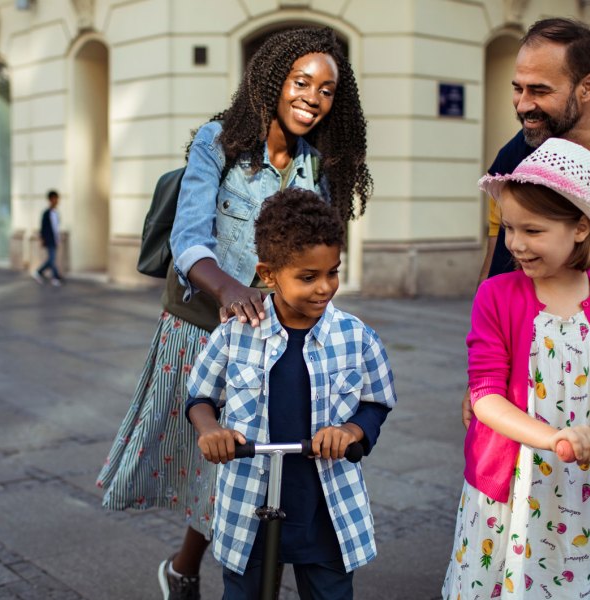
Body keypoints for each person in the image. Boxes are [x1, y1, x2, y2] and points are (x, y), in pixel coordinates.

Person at [95, 27, 372, 600]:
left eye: (326, 89)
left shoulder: (315, 167)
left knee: (243, 468)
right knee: (213, 464)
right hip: (201, 328)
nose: (313, 98)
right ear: (273, 80)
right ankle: (194, 571)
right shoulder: (216, 142)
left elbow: (307, 255)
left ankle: (195, 571)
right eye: (302, 82)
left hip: (267, 340)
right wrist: (227, 289)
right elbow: (188, 238)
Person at [464, 19, 590, 591]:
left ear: (586, 86)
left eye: (538, 90)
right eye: (517, 88)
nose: (522, 104)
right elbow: (499, 266)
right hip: (521, 446)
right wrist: (477, 385)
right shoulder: (521, 157)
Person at [186, 188, 395, 599]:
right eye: (307, 277)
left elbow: (376, 401)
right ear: (268, 274)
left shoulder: (356, 337)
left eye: (332, 272)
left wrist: (351, 432)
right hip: (250, 502)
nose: (324, 287)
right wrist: (210, 430)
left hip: (324, 505)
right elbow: (200, 397)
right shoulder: (235, 334)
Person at [32, 189, 63, 286]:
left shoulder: (56, 213)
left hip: (54, 239)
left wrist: (58, 239)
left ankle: (42, 273)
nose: (57, 201)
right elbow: (43, 228)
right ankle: (53, 276)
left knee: (51, 259)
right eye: (55, 199)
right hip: (49, 239)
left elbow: (56, 228)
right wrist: (43, 239)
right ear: (51, 199)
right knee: (52, 259)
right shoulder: (46, 213)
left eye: (57, 199)